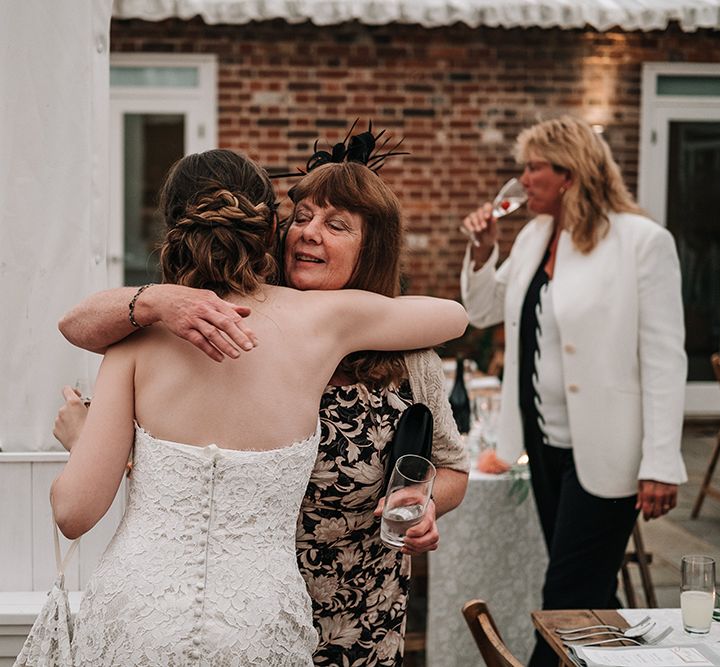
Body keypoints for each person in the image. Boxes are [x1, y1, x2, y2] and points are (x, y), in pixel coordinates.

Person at [50, 148, 468, 666]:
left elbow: (74, 512)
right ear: (271, 227)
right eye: (302, 218)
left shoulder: (132, 340)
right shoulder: (327, 322)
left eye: (337, 225)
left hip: (144, 612)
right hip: (258, 618)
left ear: (172, 229)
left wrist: (83, 440)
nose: (311, 233)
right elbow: (455, 316)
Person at [459, 116, 687, 667]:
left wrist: (661, 461)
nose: (522, 178)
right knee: (591, 592)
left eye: (532, 166)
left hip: (609, 450)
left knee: (566, 593)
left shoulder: (642, 242)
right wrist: (484, 247)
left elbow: (663, 359)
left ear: (569, 173)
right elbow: (483, 310)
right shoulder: (536, 237)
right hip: (543, 445)